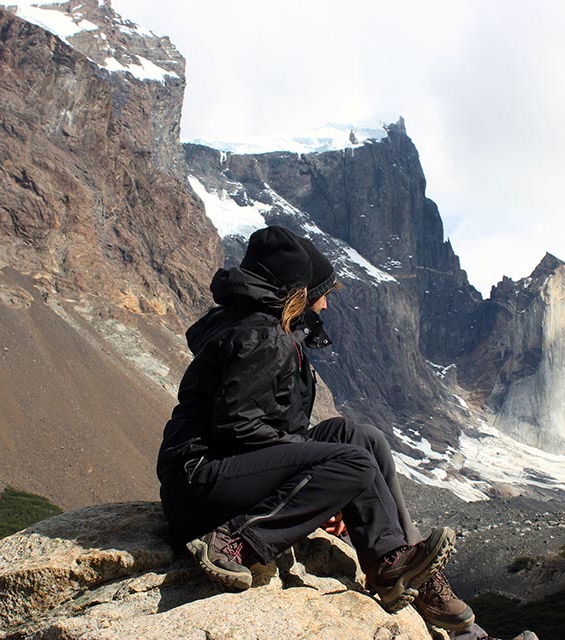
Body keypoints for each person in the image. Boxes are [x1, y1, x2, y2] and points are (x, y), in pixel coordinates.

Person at [156, 225, 472, 627]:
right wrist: (319, 479)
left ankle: (389, 563)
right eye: (319, 293)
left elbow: (273, 426)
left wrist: (314, 484)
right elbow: (237, 427)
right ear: (296, 295)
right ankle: (234, 542)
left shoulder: (262, 329)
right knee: (353, 464)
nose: (324, 305)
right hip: (199, 482)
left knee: (356, 437)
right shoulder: (263, 336)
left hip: (213, 473)